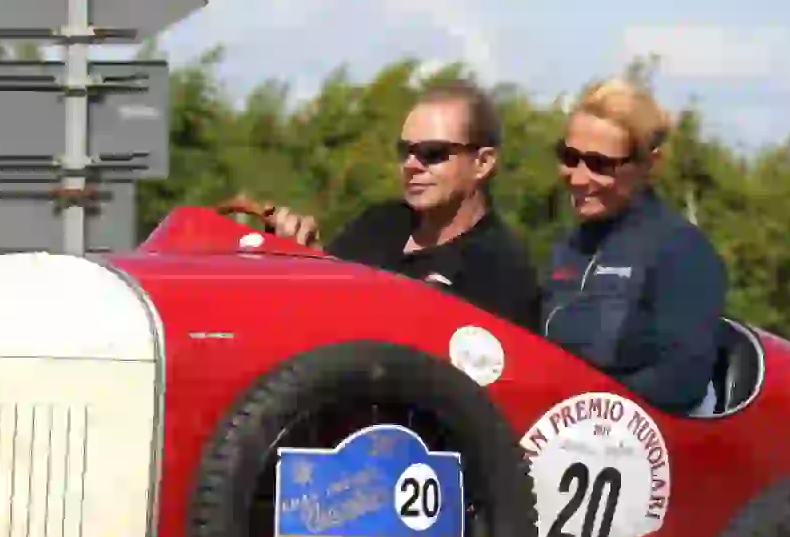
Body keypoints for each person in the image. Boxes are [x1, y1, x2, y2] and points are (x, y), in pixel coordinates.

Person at [218, 80, 541, 329]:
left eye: (432, 153)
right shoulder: (380, 223)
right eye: (406, 151)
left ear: (482, 163)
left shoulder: (500, 271)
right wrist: (303, 254)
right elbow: (320, 309)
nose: (412, 165)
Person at [539, 77, 728, 413]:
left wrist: (574, 402)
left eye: (600, 165)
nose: (578, 178)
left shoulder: (681, 250)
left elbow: (681, 381)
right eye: (569, 157)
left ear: (648, 164)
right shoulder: (566, 247)